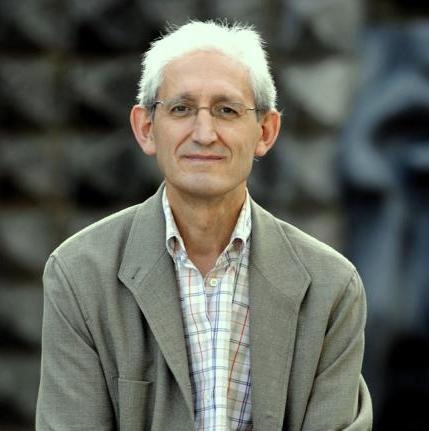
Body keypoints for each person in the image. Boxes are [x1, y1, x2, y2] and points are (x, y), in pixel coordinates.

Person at [36, 20, 372, 431]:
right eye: (181, 109)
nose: (204, 133)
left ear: (265, 131)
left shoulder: (331, 288)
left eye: (226, 110)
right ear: (146, 128)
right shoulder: (79, 275)